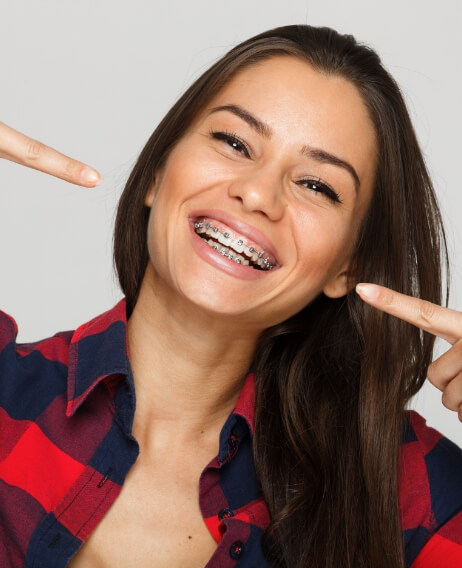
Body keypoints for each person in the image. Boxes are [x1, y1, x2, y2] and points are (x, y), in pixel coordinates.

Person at [1, 25, 462, 568]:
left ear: (347, 266)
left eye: (316, 185)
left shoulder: (407, 491)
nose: (258, 194)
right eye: (234, 143)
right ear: (157, 171)